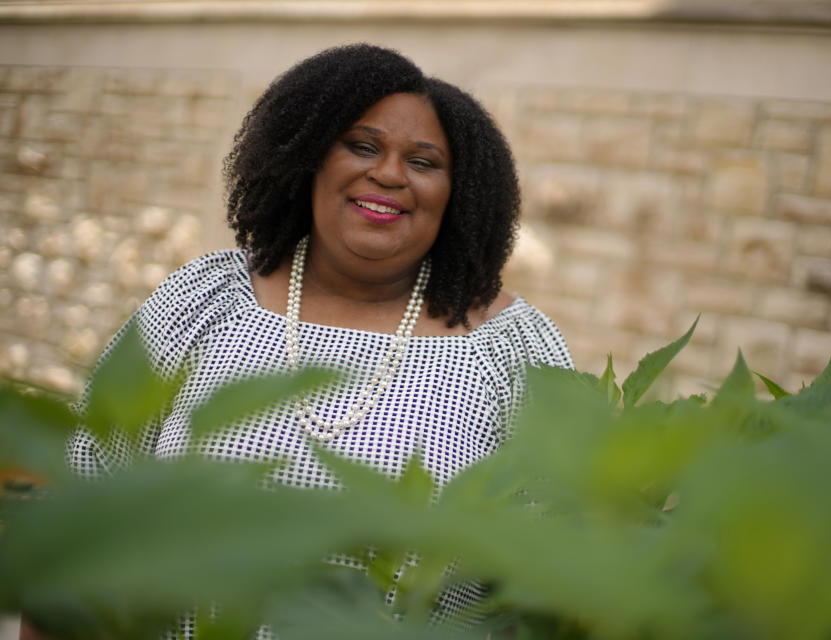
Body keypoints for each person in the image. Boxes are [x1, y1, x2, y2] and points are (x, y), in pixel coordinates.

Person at [24, 43, 572, 639]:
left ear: (458, 193)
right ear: (307, 157)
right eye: (362, 146)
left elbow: (555, 575)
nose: (388, 174)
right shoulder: (204, 300)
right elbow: (84, 505)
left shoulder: (514, 349)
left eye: (423, 162)